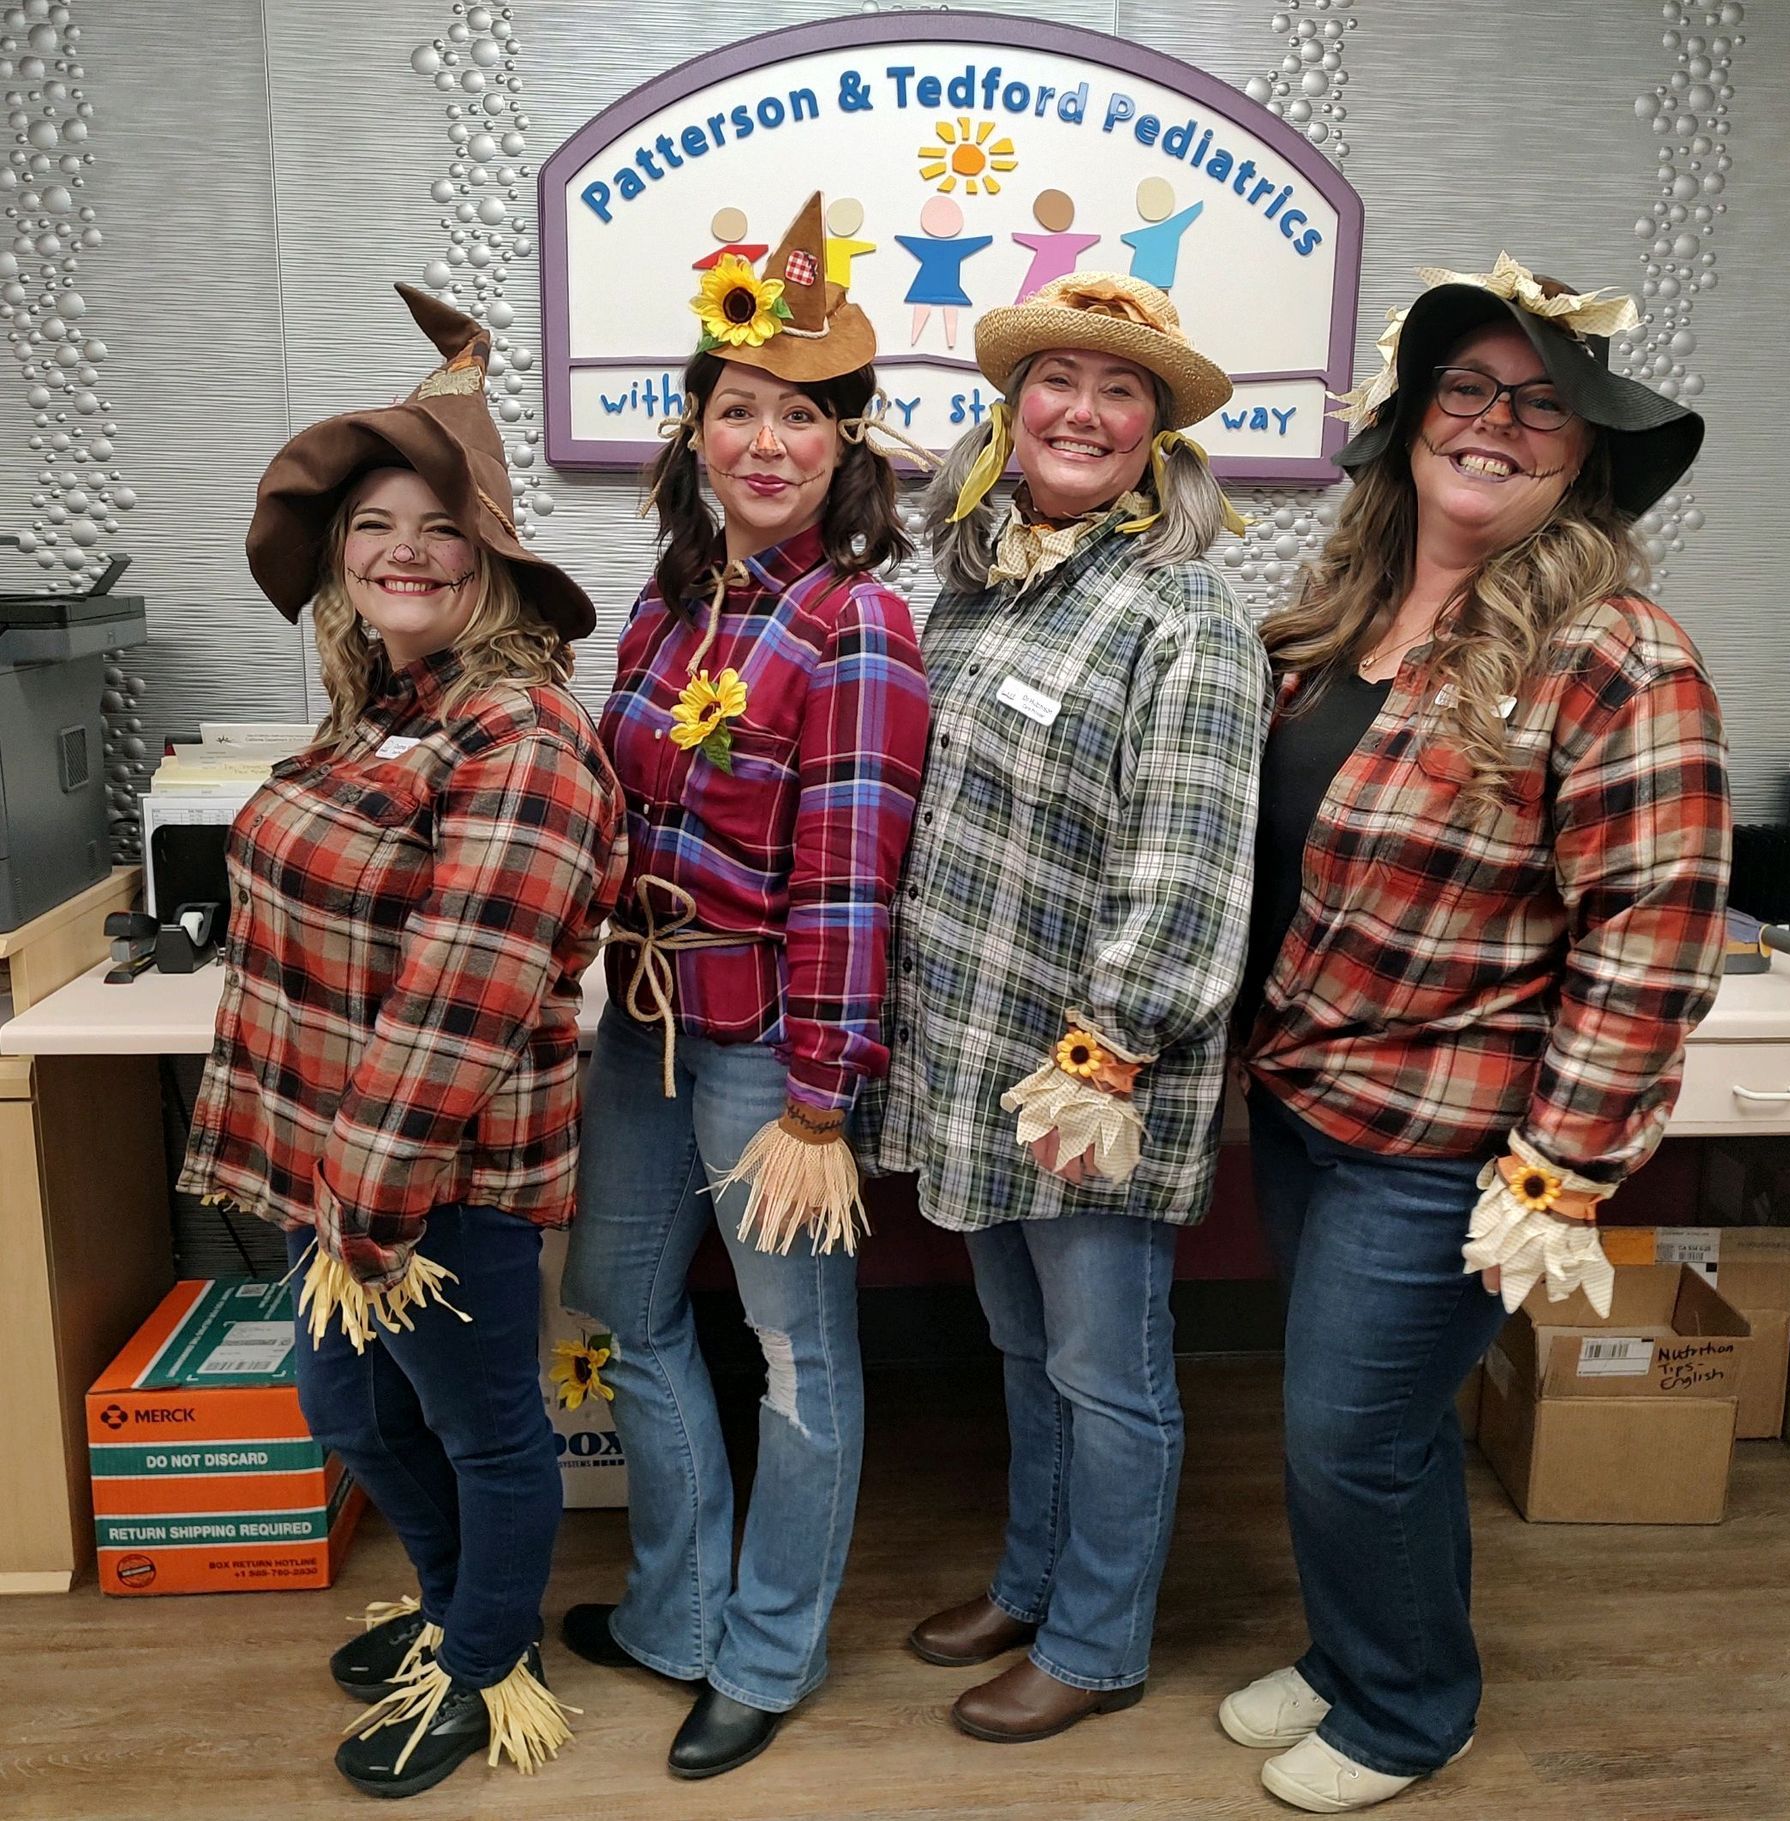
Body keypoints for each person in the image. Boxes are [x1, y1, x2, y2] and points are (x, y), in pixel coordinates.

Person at [1220, 253, 1731, 1813]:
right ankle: (1358, 1644)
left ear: (1584, 454)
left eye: (1542, 405)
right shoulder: (1339, 622)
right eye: (1468, 388)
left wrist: (1562, 1167)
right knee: (1381, 1432)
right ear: (1411, 419)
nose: (1497, 422)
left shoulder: (1620, 652)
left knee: (1346, 1434)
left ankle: (1406, 1707)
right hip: (1313, 1106)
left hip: (1456, 1139)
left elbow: (1654, 931)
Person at [179, 284, 626, 1799]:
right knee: (344, 1402)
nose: (403, 549)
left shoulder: (524, 737)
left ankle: (491, 1663)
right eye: (372, 523)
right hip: (345, 1167)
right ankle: (459, 1606)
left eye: (437, 523)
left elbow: (465, 997)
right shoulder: (375, 708)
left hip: (435, 1184)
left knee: (485, 1426)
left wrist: (368, 1207)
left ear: (490, 556)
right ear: (339, 558)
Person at [855, 273, 1270, 1743]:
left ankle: (1099, 1636)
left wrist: (1112, 1048)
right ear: (1012, 408)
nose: (1082, 411)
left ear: (1156, 431)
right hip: (970, 1049)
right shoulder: (973, 584)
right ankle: (1031, 1577)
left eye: (1120, 390)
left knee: (1109, 1364)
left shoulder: (1189, 613)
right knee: (1025, 1352)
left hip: (1090, 1069)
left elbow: (1193, 861)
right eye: (1058, 381)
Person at [558, 193, 930, 1780]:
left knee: (796, 1349)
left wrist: (823, 1097)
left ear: (847, 446)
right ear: (695, 428)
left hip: (770, 1040)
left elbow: (851, 880)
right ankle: (675, 1609)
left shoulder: (858, 627)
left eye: (802, 416)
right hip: (636, 1019)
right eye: (739, 410)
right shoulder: (663, 604)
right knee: (625, 1310)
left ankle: (768, 1649)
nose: (765, 442)